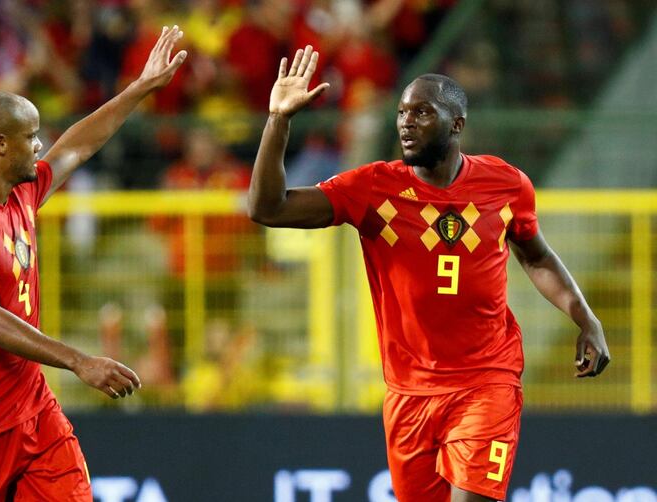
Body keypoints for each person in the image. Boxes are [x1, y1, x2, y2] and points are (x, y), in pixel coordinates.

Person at [248, 45, 611, 502]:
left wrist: (586, 318)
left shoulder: (506, 185)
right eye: (402, 112)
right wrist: (278, 120)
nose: (406, 122)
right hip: (409, 394)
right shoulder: (372, 189)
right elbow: (267, 208)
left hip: (486, 381)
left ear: (456, 124)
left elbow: (536, 256)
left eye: (422, 112)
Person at [0, 26, 187, 501]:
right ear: (0, 144)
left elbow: (78, 147)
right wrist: (79, 360)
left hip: (32, 409)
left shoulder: (19, 194)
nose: (40, 146)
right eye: (31, 137)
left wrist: (140, 88)